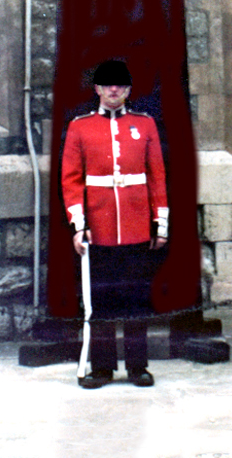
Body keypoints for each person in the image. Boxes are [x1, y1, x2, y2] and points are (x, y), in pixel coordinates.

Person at [61, 59, 168, 388]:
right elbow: (72, 180)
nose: (113, 90)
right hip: (99, 228)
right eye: (107, 84)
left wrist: (160, 223)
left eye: (119, 85)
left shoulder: (144, 125)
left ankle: (138, 367)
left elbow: (156, 177)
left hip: (137, 227)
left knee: (136, 299)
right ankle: (103, 368)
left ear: (128, 90)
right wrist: (79, 225)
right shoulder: (80, 128)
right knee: (102, 302)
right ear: (97, 89)